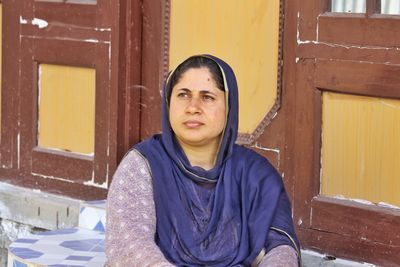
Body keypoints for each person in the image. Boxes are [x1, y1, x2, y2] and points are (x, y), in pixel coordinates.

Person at [106, 55, 300, 266]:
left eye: (207, 97)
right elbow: (129, 244)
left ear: (229, 107)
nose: (193, 107)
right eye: (183, 95)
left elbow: (281, 248)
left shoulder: (256, 176)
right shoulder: (143, 165)